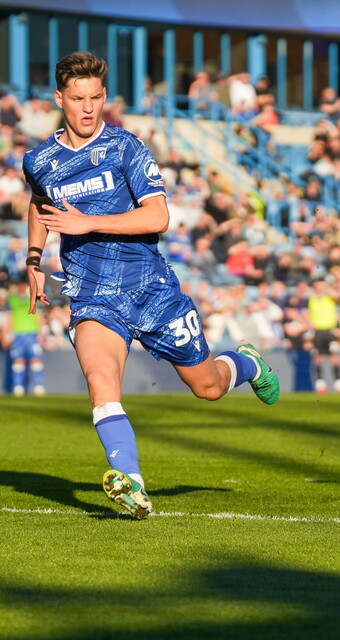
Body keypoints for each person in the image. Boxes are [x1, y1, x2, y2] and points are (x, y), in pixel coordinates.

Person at [21, 51, 280, 520]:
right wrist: (34, 258)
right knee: (101, 382)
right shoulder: (40, 160)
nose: (87, 108)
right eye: (77, 99)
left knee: (207, 386)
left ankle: (244, 363)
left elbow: (158, 215)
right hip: (93, 294)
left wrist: (88, 224)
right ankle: (133, 486)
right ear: (59, 98)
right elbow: (39, 205)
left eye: (95, 98)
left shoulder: (126, 148)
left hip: (151, 290)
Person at [4, 276, 46, 396]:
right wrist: (5, 333)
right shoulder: (12, 300)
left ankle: (39, 386)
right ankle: (18, 387)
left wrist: (41, 333)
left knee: (35, 360)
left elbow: (40, 317)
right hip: (18, 334)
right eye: (20, 285)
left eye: (24, 285)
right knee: (18, 360)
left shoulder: (33, 299)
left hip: (32, 333)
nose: (22, 287)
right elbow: (9, 317)